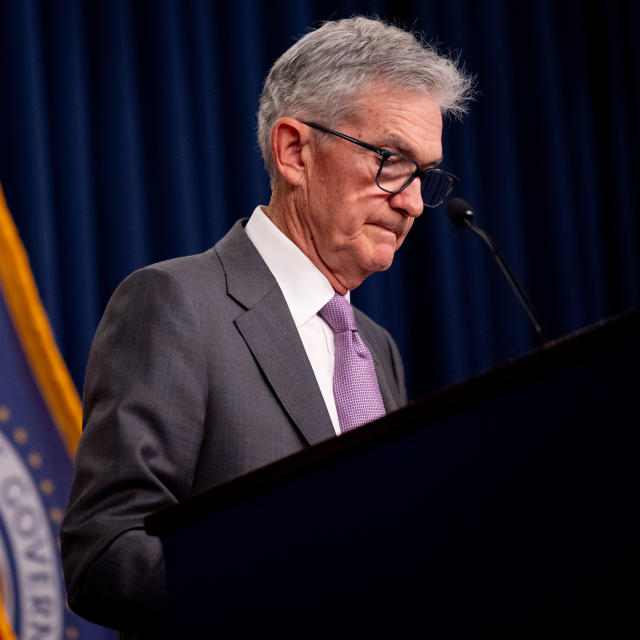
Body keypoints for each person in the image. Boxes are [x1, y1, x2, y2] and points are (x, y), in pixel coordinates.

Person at [60, 16, 473, 638]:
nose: (414, 202)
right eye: (392, 162)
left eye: (424, 175)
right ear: (294, 151)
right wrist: (303, 592)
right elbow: (106, 552)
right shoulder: (176, 305)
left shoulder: (378, 349)